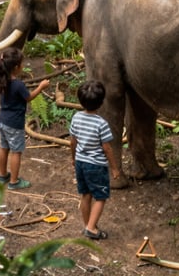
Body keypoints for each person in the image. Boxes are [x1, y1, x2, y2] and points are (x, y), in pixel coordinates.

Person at [69, 79, 121, 240]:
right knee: (100, 196)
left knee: (85, 194)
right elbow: (107, 148)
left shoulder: (76, 118)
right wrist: (114, 168)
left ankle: (88, 224)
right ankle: (91, 228)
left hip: (80, 162)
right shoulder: (101, 124)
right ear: (101, 102)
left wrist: (73, 158)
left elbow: (73, 141)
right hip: (96, 165)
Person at [0, 47, 49, 190]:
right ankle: (14, 181)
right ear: (17, 67)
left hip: (1, 121)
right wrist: (41, 87)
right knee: (16, 152)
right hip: (14, 124)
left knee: (3, 148)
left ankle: (2, 175)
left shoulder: (1, 80)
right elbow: (29, 97)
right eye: (21, 64)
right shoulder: (18, 85)